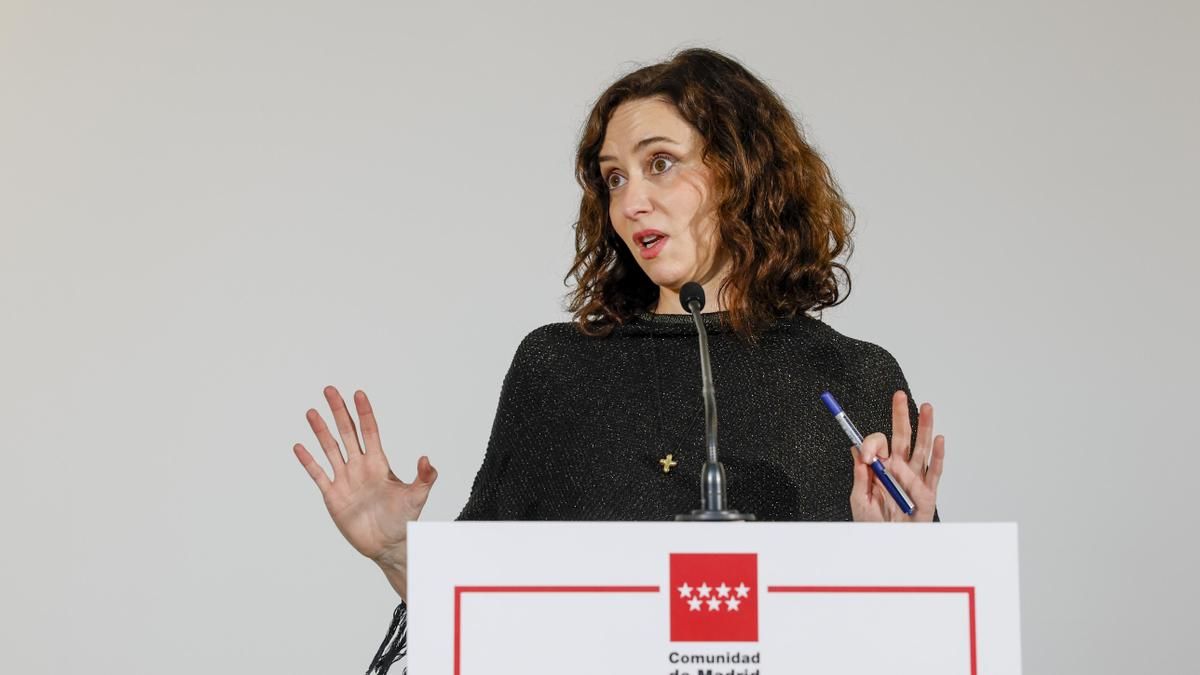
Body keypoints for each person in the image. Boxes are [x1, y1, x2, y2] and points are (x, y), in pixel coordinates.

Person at [292, 48, 946, 675]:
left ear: (742, 170)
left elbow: (911, 640)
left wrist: (904, 569)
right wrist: (398, 553)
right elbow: (483, 617)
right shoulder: (558, 371)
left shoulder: (849, 377)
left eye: (660, 163)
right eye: (614, 177)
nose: (631, 202)